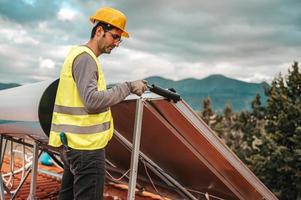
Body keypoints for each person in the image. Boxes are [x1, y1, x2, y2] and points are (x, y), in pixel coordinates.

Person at [48, 6, 147, 200]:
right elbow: (92, 101)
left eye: (120, 40)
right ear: (99, 31)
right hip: (86, 150)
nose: (117, 43)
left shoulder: (79, 55)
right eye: (115, 36)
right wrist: (126, 87)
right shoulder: (86, 59)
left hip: (73, 146)